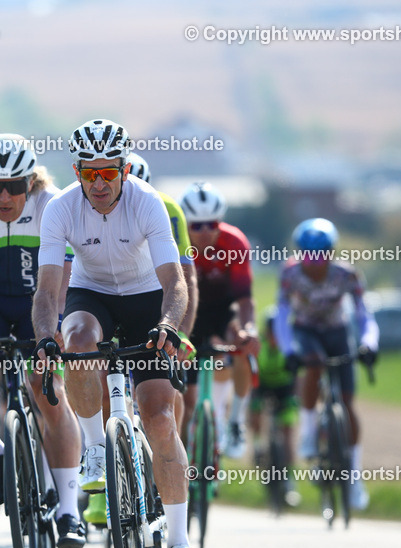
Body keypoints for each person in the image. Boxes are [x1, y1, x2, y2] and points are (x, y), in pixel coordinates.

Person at [32, 119, 199, 548]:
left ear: (125, 170)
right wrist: (47, 335)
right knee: (78, 340)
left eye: (109, 173)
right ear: (77, 171)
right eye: (90, 173)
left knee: (161, 418)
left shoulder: (147, 203)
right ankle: (96, 448)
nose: (100, 183)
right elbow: (47, 292)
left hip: (148, 299)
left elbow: (175, 282)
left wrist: (168, 325)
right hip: (94, 295)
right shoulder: (60, 209)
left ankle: (181, 545)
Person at [0, 134, 85, 548]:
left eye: (15, 186)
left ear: (31, 182)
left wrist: (55, 330)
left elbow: (63, 282)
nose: (4, 196)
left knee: (48, 391)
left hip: (41, 304)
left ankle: (69, 510)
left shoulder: (54, 204)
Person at [84, 152, 198, 527]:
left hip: (150, 301)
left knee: (161, 409)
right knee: (95, 372)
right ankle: (105, 474)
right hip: (104, 300)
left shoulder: (164, 208)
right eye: (92, 176)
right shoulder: (78, 207)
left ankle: (167, 467)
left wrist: (178, 333)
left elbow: (184, 278)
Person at [275, 218, 378, 510]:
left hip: (337, 331)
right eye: (308, 254)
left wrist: (369, 343)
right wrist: (288, 350)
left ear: (331, 253)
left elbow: (363, 314)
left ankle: (355, 478)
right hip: (306, 330)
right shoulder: (291, 274)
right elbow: (283, 314)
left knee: (347, 404)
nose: (315, 261)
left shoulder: (347, 275)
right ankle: (309, 433)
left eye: (322, 253)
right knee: (314, 363)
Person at [179, 181, 260, 459]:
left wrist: (249, 329)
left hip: (223, 311)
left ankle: (236, 421)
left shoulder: (234, 242)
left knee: (241, 343)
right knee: (186, 400)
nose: (205, 232)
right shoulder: (174, 240)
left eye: (212, 224)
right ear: (185, 223)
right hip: (188, 311)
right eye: (197, 226)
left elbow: (245, 300)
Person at [248, 308, 301, 507]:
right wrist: (254, 403)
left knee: (288, 431)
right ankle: (257, 446)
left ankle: (289, 481)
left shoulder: (290, 346)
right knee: (255, 413)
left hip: (285, 388)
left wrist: (295, 398)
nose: (274, 336)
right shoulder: (258, 345)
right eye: (271, 331)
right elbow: (252, 375)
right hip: (262, 386)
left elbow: (298, 376)